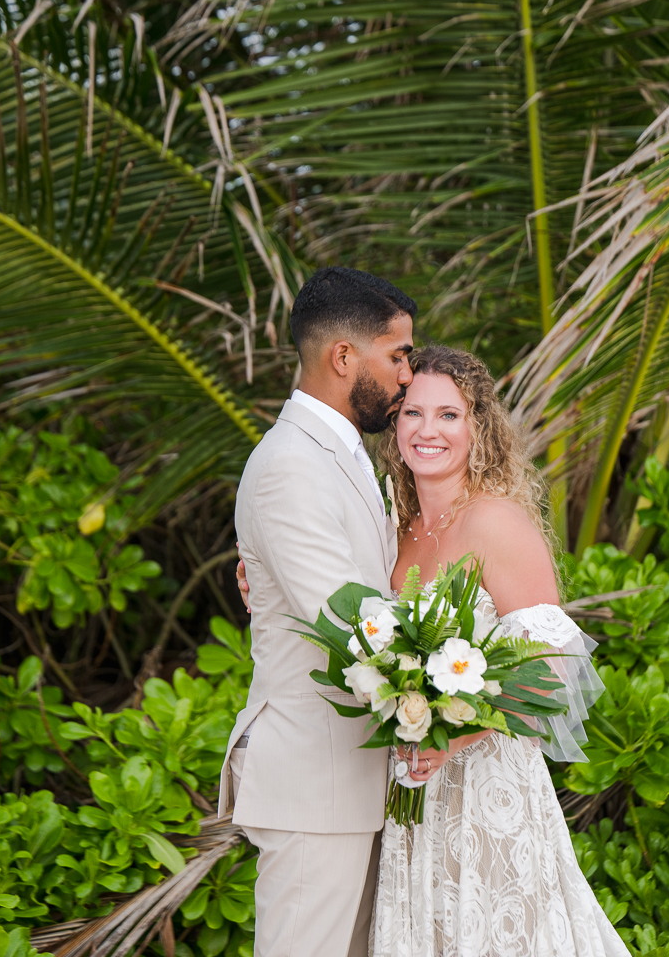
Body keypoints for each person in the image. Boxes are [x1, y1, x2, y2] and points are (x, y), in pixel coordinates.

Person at [368, 345, 629, 957]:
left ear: (478, 428)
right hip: (412, 794)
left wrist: (452, 734)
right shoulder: (393, 526)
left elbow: (552, 672)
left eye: (449, 415)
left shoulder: (494, 522)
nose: (426, 430)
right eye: (412, 413)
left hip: (486, 788)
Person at [219, 266, 416, 957]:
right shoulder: (289, 468)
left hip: (356, 785)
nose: (407, 377)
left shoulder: (349, 458)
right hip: (316, 785)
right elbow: (354, 621)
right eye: (397, 356)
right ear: (342, 358)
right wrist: (470, 664)